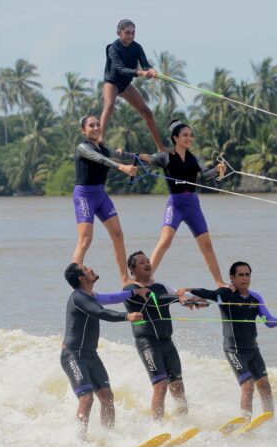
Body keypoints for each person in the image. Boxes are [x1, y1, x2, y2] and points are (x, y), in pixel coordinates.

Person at [177, 261, 277, 421]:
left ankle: (270, 420)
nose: (245, 278)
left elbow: (267, 321)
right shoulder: (225, 294)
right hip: (234, 350)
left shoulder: (255, 298)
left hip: (252, 350)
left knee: (265, 386)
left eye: (247, 274)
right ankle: (246, 421)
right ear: (232, 277)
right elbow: (208, 293)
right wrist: (189, 290)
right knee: (248, 385)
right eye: (241, 275)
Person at [131, 119, 228, 287]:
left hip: (193, 205)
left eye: (191, 136)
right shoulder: (165, 156)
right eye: (185, 135)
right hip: (175, 205)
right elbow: (146, 158)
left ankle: (219, 282)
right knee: (165, 241)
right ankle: (146, 279)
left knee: (207, 245)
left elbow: (205, 175)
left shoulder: (195, 159)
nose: (189, 138)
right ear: (175, 138)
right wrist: (127, 156)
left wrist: (218, 170)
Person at [60, 262, 148, 439]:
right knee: (87, 398)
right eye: (86, 269)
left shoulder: (90, 295)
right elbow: (99, 312)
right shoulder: (78, 297)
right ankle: (79, 440)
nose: (91, 268)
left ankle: (108, 437)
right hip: (73, 355)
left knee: (107, 396)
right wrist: (126, 316)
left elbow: (112, 297)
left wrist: (134, 292)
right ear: (82, 278)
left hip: (91, 355)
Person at [123, 250, 206, 421]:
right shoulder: (130, 290)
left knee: (177, 386)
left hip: (167, 342)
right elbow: (155, 299)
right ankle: (157, 427)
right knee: (160, 385)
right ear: (133, 269)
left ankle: (183, 423)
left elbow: (181, 295)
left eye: (148, 261)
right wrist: (177, 298)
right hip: (148, 343)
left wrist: (196, 299)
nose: (147, 264)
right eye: (141, 262)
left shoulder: (161, 286)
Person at [71, 115, 137, 285]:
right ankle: (75, 283)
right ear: (83, 130)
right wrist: (121, 167)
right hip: (84, 195)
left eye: (98, 125)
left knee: (117, 234)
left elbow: (115, 154)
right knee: (85, 239)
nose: (96, 128)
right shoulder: (83, 148)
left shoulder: (103, 148)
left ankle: (125, 279)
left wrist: (134, 157)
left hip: (100, 195)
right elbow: (100, 159)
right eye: (91, 125)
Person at [100, 18, 164, 152]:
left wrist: (150, 69)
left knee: (146, 111)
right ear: (119, 33)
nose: (130, 35)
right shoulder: (113, 48)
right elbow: (120, 68)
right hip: (112, 83)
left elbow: (145, 63)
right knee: (109, 105)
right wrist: (140, 73)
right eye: (127, 32)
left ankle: (160, 148)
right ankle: (100, 139)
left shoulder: (137, 47)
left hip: (125, 85)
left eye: (133, 33)